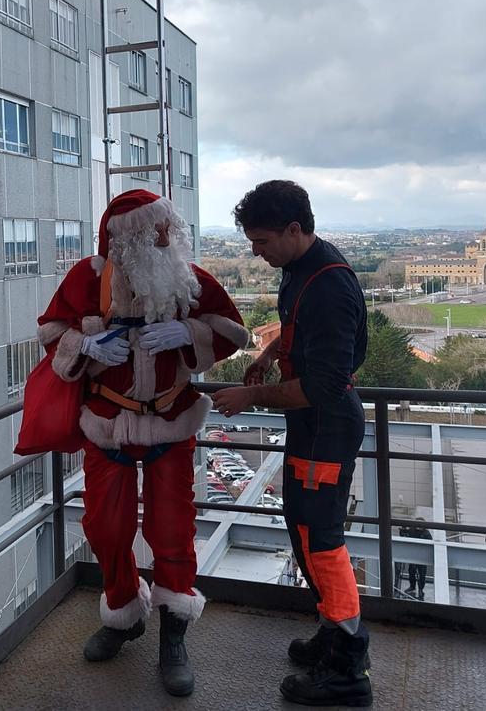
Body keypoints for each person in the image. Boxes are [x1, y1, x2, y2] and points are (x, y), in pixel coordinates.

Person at [35, 189, 249, 696]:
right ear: (123, 237)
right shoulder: (86, 279)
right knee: (104, 528)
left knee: (171, 530)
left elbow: (233, 332)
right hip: (106, 423)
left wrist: (188, 332)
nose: (163, 237)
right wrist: (85, 345)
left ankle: (173, 636)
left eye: (166, 228)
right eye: (153, 229)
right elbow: (49, 330)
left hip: (171, 423)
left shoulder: (187, 278)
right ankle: (124, 614)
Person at [212, 180, 372, 707]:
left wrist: (251, 395)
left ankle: (348, 666)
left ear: (294, 229)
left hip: (325, 423)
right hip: (313, 423)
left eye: (261, 241)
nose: (254, 252)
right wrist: (269, 352)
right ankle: (332, 633)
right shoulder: (303, 267)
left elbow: (326, 383)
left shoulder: (328, 283)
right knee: (304, 530)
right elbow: (297, 326)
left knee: (320, 540)